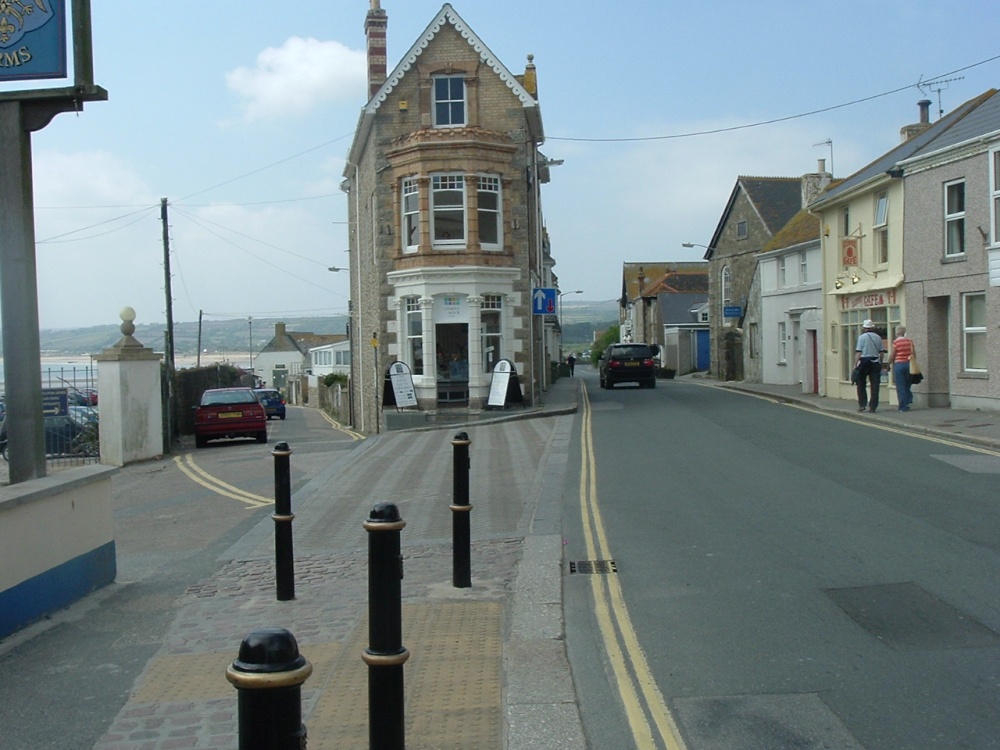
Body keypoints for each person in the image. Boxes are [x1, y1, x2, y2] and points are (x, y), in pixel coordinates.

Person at [854, 319, 884, 412]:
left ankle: (862, 405)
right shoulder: (878, 337)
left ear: (864, 328)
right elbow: (881, 352)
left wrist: (855, 364)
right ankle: (873, 407)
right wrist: (881, 362)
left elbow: (859, 352)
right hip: (875, 362)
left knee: (861, 384)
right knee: (875, 385)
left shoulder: (861, 337)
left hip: (864, 362)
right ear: (872, 327)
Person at [885, 325, 915, 411]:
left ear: (897, 333)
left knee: (900, 385)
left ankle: (902, 406)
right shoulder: (910, 341)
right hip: (909, 364)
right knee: (907, 384)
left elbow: (892, 355)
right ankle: (908, 400)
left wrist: (888, 364)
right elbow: (914, 353)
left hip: (899, 364)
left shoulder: (896, 343)